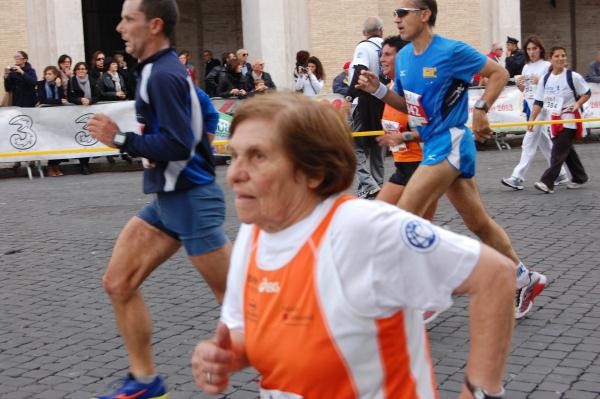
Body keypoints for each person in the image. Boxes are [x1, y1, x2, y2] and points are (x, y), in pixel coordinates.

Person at [190, 92, 515, 399]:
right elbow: (246, 336)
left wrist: (479, 390)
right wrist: (226, 355)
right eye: (233, 156)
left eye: (257, 156)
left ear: (313, 172)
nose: (233, 174)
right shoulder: (254, 231)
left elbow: (494, 275)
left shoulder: (362, 229)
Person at [356, 0, 547, 320]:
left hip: (452, 143)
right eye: (395, 14)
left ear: (424, 14)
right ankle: (523, 278)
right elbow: (405, 105)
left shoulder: (452, 50)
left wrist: (482, 109)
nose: (397, 20)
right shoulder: (403, 58)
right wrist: (378, 91)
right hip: (431, 142)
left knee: (405, 218)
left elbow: (498, 73)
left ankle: (427, 293)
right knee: (479, 224)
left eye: (403, 13)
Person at [87, 1, 232, 397]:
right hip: (169, 201)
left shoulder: (162, 74)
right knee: (118, 283)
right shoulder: (158, 71)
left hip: (191, 201)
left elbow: (178, 142)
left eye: (128, 19)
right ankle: (146, 383)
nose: (119, 27)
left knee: (241, 305)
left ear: (153, 25)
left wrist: (119, 139)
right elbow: (199, 116)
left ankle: (300, 375)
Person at [374, 35, 437, 222]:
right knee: (388, 221)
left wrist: (405, 136)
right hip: (403, 166)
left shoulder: (413, 87)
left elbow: (431, 128)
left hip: (421, 166)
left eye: (387, 54)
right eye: (381, 54)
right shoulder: (390, 88)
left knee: (405, 226)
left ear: (401, 57)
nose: (381, 59)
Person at [501, 36, 569, 191]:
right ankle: (561, 173)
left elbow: (554, 85)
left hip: (542, 108)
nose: (532, 52)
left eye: (534, 48)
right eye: (529, 49)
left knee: (529, 142)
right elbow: (527, 91)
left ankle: (517, 177)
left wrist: (540, 81)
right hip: (531, 106)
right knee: (544, 142)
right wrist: (520, 86)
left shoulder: (546, 66)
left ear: (540, 49)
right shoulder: (526, 67)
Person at [532, 46, 591, 194]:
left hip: (569, 119)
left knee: (558, 151)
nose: (561, 59)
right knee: (566, 150)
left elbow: (586, 92)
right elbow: (538, 101)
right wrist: (532, 120)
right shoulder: (545, 79)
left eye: (563, 56)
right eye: (557, 56)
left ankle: (547, 181)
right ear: (551, 59)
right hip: (554, 120)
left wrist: (577, 104)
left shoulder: (573, 76)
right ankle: (580, 176)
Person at [346, 16, 387, 199]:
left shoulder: (364, 46)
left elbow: (360, 70)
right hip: (385, 99)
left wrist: (349, 97)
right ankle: (378, 183)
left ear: (365, 33)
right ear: (382, 31)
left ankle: (369, 185)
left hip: (365, 100)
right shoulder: (387, 47)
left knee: (355, 144)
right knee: (378, 144)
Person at [68, 61, 101, 175]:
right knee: (81, 136)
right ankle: (83, 164)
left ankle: (86, 162)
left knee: (89, 136)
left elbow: (98, 95)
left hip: (90, 111)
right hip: (77, 112)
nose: (81, 71)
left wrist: (90, 101)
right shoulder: (72, 81)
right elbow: (69, 97)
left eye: (83, 68)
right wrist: (80, 100)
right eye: (79, 69)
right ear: (76, 71)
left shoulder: (92, 80)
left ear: (86, 70)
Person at [37, 65, 68, 177]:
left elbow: (63, 99)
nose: (47, 76)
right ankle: (50, 166)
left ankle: (56, 165)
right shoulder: (40, 84)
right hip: (45, 117)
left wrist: (59, 87)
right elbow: (43, 100)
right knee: (50, 142)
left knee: (58, 142)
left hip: (57, 117)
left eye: (50, 74)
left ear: (55, 75)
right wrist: (58, 101)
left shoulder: (58, 85)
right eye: (46, 74)